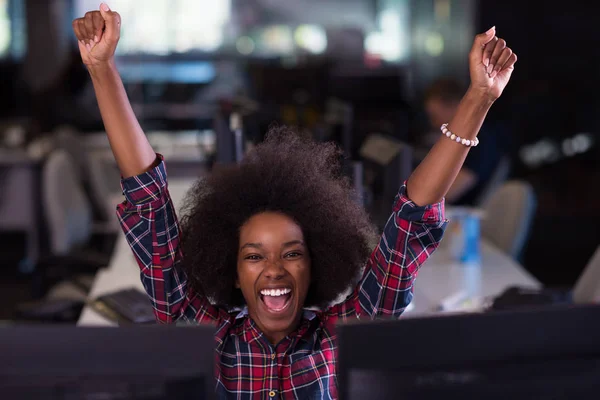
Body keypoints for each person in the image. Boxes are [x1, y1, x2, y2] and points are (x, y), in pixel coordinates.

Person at [73, 4, 517, 399]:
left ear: (316, 262)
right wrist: (102, 68)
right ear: (231, 268)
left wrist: (478, 98)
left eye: (292, 253)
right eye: (253, 255)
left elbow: (410, 222)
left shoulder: (339, 339)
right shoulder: (205, 336)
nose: (274, 269)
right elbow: (149, 202)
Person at [423, 77, 511, 205]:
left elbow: (448, 194)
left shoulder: (479, 141)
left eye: (435, 117)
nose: (434, 124)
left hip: (461, 216)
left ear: (454, 106)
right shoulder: (467, 137)